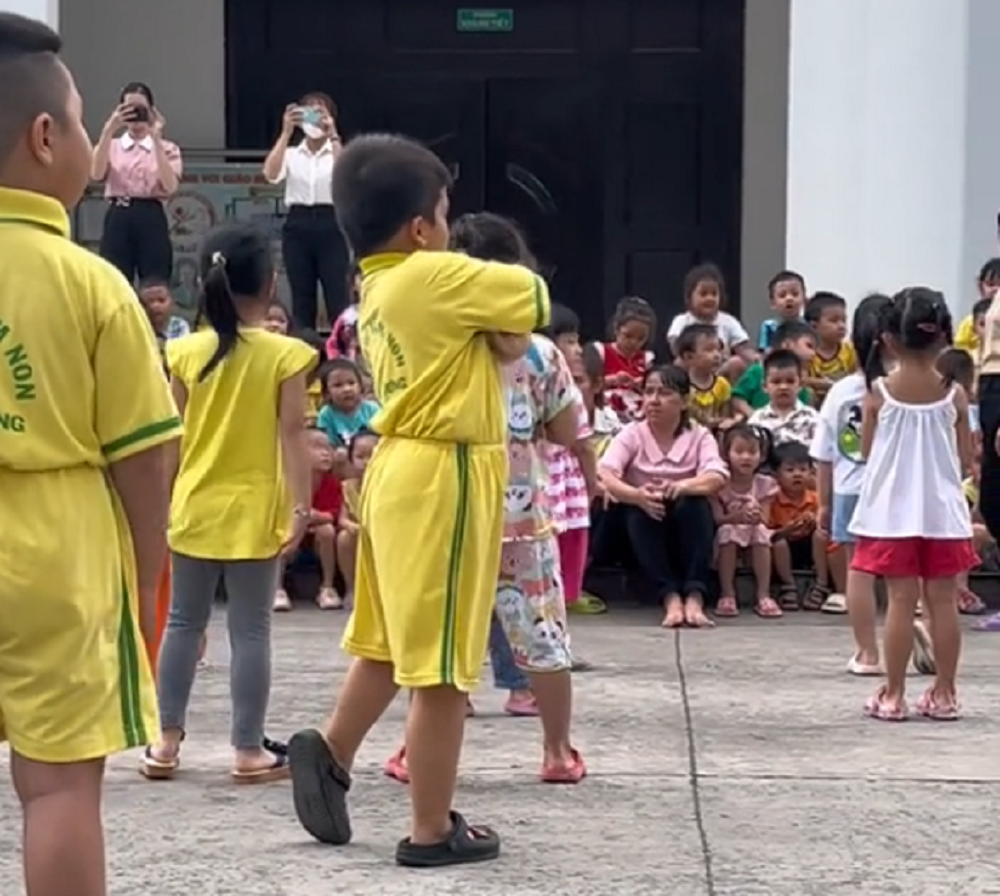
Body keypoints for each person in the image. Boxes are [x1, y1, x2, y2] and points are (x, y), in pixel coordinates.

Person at [286, 134, 549, 868]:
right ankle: (431, 828)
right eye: (444, 211)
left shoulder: (375, 288)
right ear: (420, 226)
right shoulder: (433, 274)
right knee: (440, 666)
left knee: (386, 640)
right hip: (446, 472)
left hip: (396, 468)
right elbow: (532, 300)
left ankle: (333, 752)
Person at [0, 14, 182, 896]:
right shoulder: (91, 282)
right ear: (45, 138)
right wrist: (147, 581)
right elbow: (147, 460)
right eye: (80, 121)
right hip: (56, 556)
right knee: (59, 787)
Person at [384, 211, 586, 786]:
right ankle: (556, 751)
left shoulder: (440, 345)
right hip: (522, 519)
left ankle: (414, 751)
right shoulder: (541, 353)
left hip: (447, 509)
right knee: (543, 634)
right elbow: (568, 430)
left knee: (437, 639)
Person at [142, 223, 315, 783]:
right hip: (255, 510)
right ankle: (247, 749)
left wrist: (161, 503)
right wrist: (300, 508)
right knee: (251, 631)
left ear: (201, 282)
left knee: (182, 623)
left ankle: (165, 742)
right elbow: (293, 434)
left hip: (193, 504)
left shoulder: (183, 351)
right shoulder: (286, 354)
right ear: (270, 283)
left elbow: (171, 438)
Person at [849, 287, 977, 721]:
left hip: (892, 514)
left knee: (900, 602)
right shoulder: (955, 395)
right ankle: (946, 691)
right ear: (942, 335)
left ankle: (894, 694)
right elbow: (965, 457)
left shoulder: (878, 393)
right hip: (942, 513)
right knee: (942, 601)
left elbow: (868, 453)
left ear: (889, 339)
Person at [598, 366, 727, 628]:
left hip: (685, 528)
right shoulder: (632, 433)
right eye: (649, 392)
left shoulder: (699, 435)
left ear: (684, 401)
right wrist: (636, 495)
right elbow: (605, 472)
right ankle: (670, 598)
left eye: (665, 393)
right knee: (639, 509)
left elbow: (717, 475)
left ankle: (695, 596)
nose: (654, 400)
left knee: (695, 504)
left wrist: (684, 486)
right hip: (642, 530)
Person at [263, 93, 348, 330]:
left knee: (337, 293)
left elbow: (345, 175)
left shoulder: (336, 151)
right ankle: (303, 345)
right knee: (302, 295)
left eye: (320, 113)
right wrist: (286, 132)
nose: (315, 119)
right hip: (298, 223)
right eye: (309, 112)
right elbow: (270, 174)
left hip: (331, 221)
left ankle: (342, 347)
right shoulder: (292, 153)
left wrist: (333, 133)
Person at [541, 302, 603, 617]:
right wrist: (593, 482)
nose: (578, 350)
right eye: (569, 341)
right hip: (563, 484)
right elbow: (583, 444)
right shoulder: (567, 390)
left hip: (531, 483)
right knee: (566, 548)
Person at [91, 81, 181, 284]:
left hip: (151, 213)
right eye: (129, 109)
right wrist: (109, 129)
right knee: (115, 279)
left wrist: (156, 138)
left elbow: (170, 186)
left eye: (141, 109)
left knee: (155, 277)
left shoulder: (168, 148)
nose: (136, 116)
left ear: (152, 111)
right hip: (119, 213)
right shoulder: (112, 146)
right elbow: (96, 174)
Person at [712, 425, 780, 618]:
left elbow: (765, 520)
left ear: (762, 456)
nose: (746, 457)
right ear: (726, 454)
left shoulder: (765, 484)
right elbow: (718, 519)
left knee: (760, 531)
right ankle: (727, 593)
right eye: (739, 451)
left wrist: (755, 515)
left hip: (753, 535)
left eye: (752, 452)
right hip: (728, 535)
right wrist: (737, 516)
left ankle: (763, 594)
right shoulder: (720, 484)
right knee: (727, 531)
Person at [275, 427, 345, 612]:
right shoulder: (286, 481)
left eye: (328, 448)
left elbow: (332, 515)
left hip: (316, 536)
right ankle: (277, 588)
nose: (325, 453)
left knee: (327, 530)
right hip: (291, 533)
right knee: (279, 531)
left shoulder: (331, 483)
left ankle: (327, 587)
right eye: (317, 447)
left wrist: (312, 515)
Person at [666, 262, 755, 380]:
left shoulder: (728, 321)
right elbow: (675, 346)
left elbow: (743, 347)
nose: (709, 298)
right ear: (689, 297)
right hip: (693, 370)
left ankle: (731, 391)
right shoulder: (682, 320)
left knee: (737, 363)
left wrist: (755, 358)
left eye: (714, 294)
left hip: (720, 371)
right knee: (678, 363)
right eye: (703, 294)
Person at [768, 441, 823, 612]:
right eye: (790, 470)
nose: (797, 474)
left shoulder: (816, 498)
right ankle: (788, 585)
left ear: (811, 472)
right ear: (776, 475)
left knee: (821, 535)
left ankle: (822, 584)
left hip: (809, 546)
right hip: (785, 547)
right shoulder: (772, 500)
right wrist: (786, 530)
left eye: (803, 469)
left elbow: (826, 523)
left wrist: (815, 521)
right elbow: (769, 534)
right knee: (778, 543)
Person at [593, 295, 656, 427]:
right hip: (606, 415)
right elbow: (589, 385)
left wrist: (641, 385)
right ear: (616, 329)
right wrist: (613, 380)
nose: (633, 342)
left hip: (637, 416)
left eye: (641, 338)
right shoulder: (601, 352)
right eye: (628, 336)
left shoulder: (646, 359)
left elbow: (653, 390)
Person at [731, 320, 815, 417]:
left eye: (790, 381)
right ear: (787, 344)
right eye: (809, 346)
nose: (813, 353)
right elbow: (738, 397)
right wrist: (753, 415)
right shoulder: (758, 371)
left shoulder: (800, 379)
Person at [336, 428, 378, 606]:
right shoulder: (347, 487)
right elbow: (342, 519)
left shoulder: (386, 487)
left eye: (372, 456)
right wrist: (351, 526)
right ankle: (352, 588)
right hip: (358, 534)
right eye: (360, 457)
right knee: (344, 537)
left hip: (380, 534)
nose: (366, 462)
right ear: (351, 460)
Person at [748, 348, 820, 447]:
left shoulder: (812, 418)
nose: (783, 387)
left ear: (800, 384)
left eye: (790, 381)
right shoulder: (757, 420)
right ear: (764, 386)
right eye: (776, 382)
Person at [673, 323, 733, 428]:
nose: (717, 355)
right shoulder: (681, 386)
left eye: (718, 350)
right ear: (689, 357)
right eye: (709, 350)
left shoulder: (722, 384)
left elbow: (726, 416)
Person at [803, 292, 856, 404]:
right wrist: (826, 385)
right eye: (834, 321)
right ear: (814, 326)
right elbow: (802, 379)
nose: (841, 326)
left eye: (844, 320)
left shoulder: (850, 351)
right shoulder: (807, 352)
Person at [316, 357, 379, 448]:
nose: (347, 389)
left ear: (361, 386)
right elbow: (328, 445)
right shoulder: (326, 415)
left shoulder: (372, 409)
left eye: (351, 383)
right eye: (338, 385)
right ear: (327, 393)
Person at [954, 257, 1000, 356]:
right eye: (991, 284)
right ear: (980, 286)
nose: (996, 290)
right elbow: (960, 351)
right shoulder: (968, 323)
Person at [757, 269, 807, 350]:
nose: (789, 298)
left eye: (795, 294)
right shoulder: (768, 326)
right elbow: (763, 351)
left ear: (804, 299)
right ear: (773, 303)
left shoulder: (808, 326)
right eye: (782, 295)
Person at [137, 276, 190, 350]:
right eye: (150, 301)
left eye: (161, 300)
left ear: (172, 303)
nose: (156, 306)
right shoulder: (137, 327)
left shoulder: (180, 326)